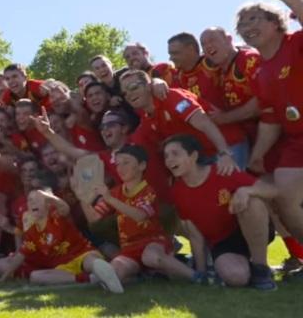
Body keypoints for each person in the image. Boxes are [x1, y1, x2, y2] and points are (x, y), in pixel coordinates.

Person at [163, 134, 277, 290]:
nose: (169, 160)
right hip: (223, 243)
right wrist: (201, 272)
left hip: (248, 226)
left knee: (253, 202)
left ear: (194, 156)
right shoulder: (177, 192)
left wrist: (246, 190)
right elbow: (194, 234)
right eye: (166, 156)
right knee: (236, 278)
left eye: (175, 154)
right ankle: (243, 267)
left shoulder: (222, 171)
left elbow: (271, 190)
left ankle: (261, 269)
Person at [237, 0, 303, 242]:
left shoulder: (296, 43)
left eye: (254, 19)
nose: (247, 27)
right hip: (297, 141)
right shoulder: (258, 72)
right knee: (285, 199)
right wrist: (257, 155)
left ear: (276, 23)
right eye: (242, 24)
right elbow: (271, 119)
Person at [77, 144, 196, 284]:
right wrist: (82, 198)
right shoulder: (115, 192)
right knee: (116, 271)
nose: (120, 168)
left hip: (153, 241)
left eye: (126, 163)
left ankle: (196, 276)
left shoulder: (148, 190)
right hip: (128, 248)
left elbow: (140, 215)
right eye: (118, 164)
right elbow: (94, 218)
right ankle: (143, 275)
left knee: (151, 257)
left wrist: (110, 199)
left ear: (141, 165)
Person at [0, 189, 124, 293]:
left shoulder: (56, 215)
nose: (33, 203)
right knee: (35, 277)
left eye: (38, 200)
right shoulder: (32, 231)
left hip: (81, 254)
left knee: (91, 262)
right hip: (61, 267)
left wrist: (48, 196)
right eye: (30, 201)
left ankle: (103, 271)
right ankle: (91, 279)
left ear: (48, 204)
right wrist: (3, 277)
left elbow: (64, 207)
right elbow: (20, 256)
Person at [120, 69, 245, 172]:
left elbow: (205, 123)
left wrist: (224, 153)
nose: (129, 94)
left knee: (235, 192)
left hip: (228, 145)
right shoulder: (147, 119)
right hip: (201, 158)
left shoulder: (171, 97)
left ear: (148, 86)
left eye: (133, 87)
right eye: (124, 92)